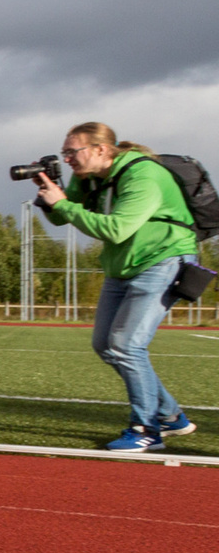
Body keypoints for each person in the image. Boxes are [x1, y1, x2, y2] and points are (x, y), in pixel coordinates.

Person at [35, 122, 198, 451]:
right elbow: (62, 217)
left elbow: (118, 229)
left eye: (72, 152)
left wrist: (63, 204)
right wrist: (50, 194)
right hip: (123, 266)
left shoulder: (144, 174)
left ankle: (146, 429)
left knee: (126, 345)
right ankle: (170, 416)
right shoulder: (90, 178)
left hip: (162, 260)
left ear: (101, 150)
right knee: (106, 345)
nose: (68, 159)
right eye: (65, 152)